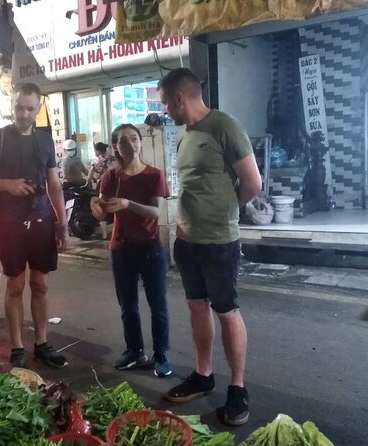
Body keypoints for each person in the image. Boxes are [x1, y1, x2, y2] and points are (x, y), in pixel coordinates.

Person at [157, 68, 262, 426]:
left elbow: (252, 182)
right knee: (196, 308)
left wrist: (224, 212)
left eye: (165, 104)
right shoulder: (185, 134)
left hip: (219, 242)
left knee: (227, 311)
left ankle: (237, 388)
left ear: (179, 98)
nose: (165, 111)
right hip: (188, 242)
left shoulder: (224, 126)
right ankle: (203, 375)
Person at [0, 82, 69, 369]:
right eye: (19, 107)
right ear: (11, 107)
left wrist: (62, 223)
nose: (24, 114)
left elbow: (54, 184)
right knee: (15, 286)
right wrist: (7, 185)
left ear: (38, 109)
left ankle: (41, 343)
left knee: (41, 284)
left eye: (30, 108)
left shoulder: (45, 141)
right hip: (10, 225)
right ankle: (16, 345)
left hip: (41, 222)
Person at [90, 124, 172, 378]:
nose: (130, 145)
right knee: (128, 306)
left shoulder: (154, 175)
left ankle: (161, 354)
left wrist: (127, 204)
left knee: (157, 305)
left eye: (134, 139)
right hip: (121, 248)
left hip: (150, 247)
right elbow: (102, 210)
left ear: (141, 142)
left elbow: (156, 212)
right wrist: (96, 206)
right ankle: (135, 351)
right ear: (116, 147)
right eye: (123, 141)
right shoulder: (110, 177)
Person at [88, 142, 117, 239]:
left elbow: (90, 175)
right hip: (114, 186)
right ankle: (115, 231)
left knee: (101, 208)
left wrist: (94, 179)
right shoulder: (112, 158)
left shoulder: (96, 161)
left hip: (101, 185)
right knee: (114, 207)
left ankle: (104, 234)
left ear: (98, 151)